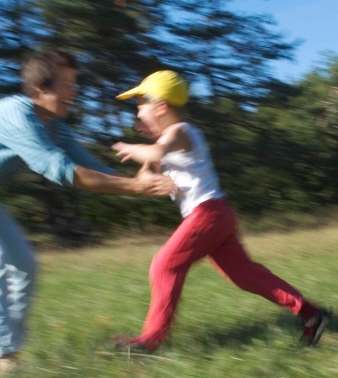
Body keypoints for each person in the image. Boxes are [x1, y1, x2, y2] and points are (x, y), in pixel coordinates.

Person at [0, 50, 174, 373]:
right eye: (66, 84)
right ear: (38, 90)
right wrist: (135, 187)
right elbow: (60, 170)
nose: (74, 92)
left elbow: (86, 164)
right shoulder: (15, 115)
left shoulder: (54, 126)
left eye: (73, 84)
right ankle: (4, 358)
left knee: (25, 264)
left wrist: (137, 181)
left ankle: (13, 353)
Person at [111, 70, 332, 352]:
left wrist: (130, 147)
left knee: (164, 265)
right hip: (217, 215)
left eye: (141, 104)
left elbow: (154, 155)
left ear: (161, 107)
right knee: (243, 274)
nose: (137, 112)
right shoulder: (172, 137)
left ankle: (150, 340)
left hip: (207, 214)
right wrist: (150, 158)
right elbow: (152, 169)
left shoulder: (180, 131)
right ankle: (311, 314)